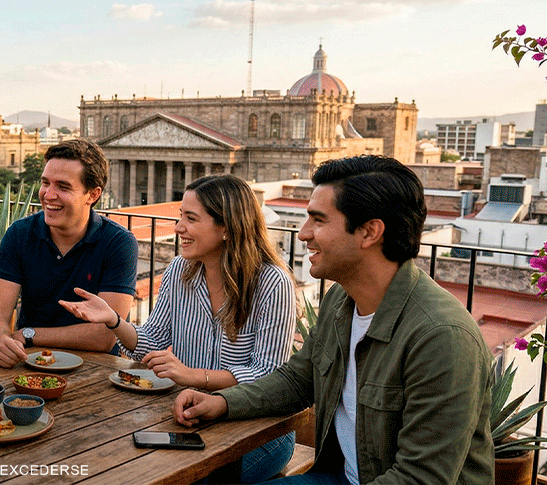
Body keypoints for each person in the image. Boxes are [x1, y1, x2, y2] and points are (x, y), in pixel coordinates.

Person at [173, 155, 493, 485]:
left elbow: (421, 478)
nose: (303, 233)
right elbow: (300, 379)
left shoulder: (441, 337)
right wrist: (222, 402)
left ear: (370, 232)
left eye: (318, 220)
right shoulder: (341, 302)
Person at [61, 174, 297, 483]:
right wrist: (114, 321)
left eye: (190, 219)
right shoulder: (179, 271)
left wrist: (194, 376)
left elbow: (269, 376)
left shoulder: (272, 283)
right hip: (188, 416)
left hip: (257, 430)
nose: (178, 228)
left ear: (226, 227)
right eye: (179, 217)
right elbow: (151, 342)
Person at [0, 139, 137, 368]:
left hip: (97, 368)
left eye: (63, 187)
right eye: (46, 183)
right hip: (32, 364)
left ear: (92, 195)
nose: (48, 195)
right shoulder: (20, 234)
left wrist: (29, 334)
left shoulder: (118, 243)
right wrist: (2, 341)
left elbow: (104, 336)